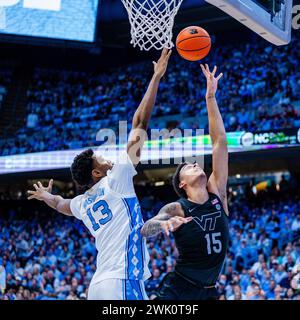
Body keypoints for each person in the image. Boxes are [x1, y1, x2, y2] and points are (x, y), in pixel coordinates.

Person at [27, 49, 172, 300]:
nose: (107, 158)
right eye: (102, 159)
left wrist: (45, 196)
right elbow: (139, 123)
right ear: (96, 172)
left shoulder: (83, 202)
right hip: (122, 278)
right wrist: (156, 77)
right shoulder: (117, 180)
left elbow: (61, 204)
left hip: (98, 286)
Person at [141, 64, 229, 300]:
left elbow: (219, 141)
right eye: (188, 167)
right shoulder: (177, 207)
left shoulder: (217, 194)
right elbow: (145, 228)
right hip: (179, 288)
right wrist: (163, 225)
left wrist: (210, 97)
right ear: (182, 185)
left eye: (195, 163)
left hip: (210, 292)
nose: (195, 164)